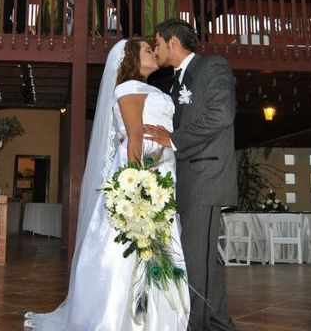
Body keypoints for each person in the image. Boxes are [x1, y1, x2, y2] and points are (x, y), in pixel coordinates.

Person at [24, 38, 189, 330]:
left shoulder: (151, 89)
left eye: (153, 49)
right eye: (146, 50)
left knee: (157, 246)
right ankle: (124, 318)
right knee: (133, 247)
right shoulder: (129, 88)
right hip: (142, 174)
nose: (152, 52)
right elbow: (134, 136)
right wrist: (139, 189)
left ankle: (156, 316)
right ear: (130, 59)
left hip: (163, 168)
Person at [145, 18, 237, 331]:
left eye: (157, 42)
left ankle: (196, 325)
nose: (155, 50)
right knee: (203, 259)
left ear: (173, 42)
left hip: (206, 176)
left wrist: (173, 139)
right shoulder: (174, 83)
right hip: (187, 179)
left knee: (198, 260)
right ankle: (218, 323)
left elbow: (221, 115)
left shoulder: (211, 67)